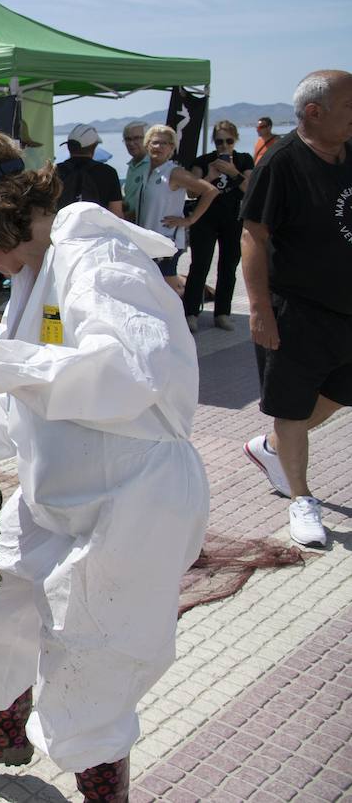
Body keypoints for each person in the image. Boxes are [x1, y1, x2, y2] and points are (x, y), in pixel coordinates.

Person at [0, 123, 208, 803]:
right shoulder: (35, 272)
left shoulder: (96, 258)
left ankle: (102, 783)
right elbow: (28, 404)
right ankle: (0, 723)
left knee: (92, 649)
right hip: (59, 493)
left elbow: (130, 374)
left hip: (132, 500)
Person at [239, 69, 352, 549]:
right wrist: (260, 309)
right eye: (350, 108)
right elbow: (253, 236)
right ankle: (301, 499)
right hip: (296, 309)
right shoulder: (281, 163)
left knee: (343, 392)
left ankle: (271, 450)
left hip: (346, 308)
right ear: (314, 112)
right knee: (289, 405)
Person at [182, 120, 254, 332]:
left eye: (228, 141)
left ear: (235, 140)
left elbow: (250, 189)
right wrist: (209, 176)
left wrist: (233, 172)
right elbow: (192, 192)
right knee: (199, 266)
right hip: (205, 219)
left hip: (232, 218)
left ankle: (222, 313)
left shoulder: (243, 160)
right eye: (219, 141)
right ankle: (191, 313)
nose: (223, 146)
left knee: (228, 266)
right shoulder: (203, 161)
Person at [135, 125, 220, 296]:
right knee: (153, 288)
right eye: (155, 142)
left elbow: (210, 191)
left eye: (165, 144)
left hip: (166, 240)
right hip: (147, 240)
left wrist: (190, 220)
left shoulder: (174, 172)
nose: (159, 147)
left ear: (172, 148)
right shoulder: (146, 171)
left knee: (168, 291)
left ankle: (179, 319)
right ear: (147, 145)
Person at [55, 124, 124, 217]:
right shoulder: (108, 173)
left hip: (63, 229)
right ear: (94, 147)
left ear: (69, 147)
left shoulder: (55, 172)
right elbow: (116, 213)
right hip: (98, 230)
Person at [120, 120, 149, 223]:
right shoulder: (132, 165)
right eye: (127, 139)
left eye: (137, 138)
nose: (131, 143)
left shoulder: (154, 165)